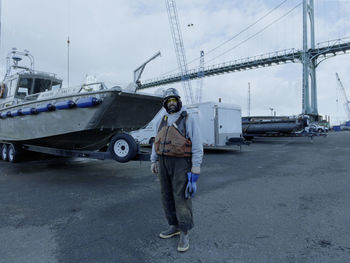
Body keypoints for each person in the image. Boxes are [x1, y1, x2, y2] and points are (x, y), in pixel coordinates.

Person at [150, 88, 203, 252]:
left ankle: (184, 232)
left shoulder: (188, 119)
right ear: (165, 104)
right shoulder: (162, 120)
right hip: (164, 162)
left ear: (178, 101)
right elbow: (156, 142)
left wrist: (196, 166)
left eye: (174, 100)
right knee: (166, 195)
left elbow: (197, 143)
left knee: (181, 197)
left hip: (181, 163)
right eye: (168, 101)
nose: (172, 103)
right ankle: (173, 226)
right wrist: (153, 160)